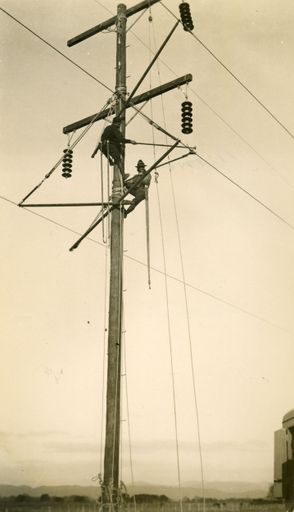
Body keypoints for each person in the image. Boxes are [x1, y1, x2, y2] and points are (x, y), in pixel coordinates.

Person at [92, 117, 136, 181]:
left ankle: (110, 161)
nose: (120, 125)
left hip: (102, 146)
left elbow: (107, 138)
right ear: (117, 123)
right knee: (118, 159)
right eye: (119, 124)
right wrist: (130, 141)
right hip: (108, 145)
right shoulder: (114, 129)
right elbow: (121, 139)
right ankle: (123, 175)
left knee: (111, 153)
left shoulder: (108, 128)